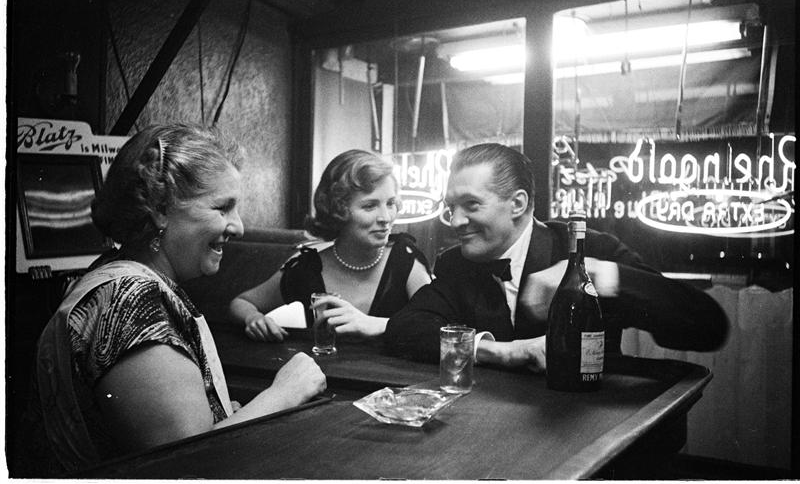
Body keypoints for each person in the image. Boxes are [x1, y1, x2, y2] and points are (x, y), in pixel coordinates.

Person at [32, 123, 327, 474]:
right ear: (160, 208)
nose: (238, 227)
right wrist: (285, 394)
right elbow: (189, 463)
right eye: (222, 208)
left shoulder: (121, 277)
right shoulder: (130, 301)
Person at [384, 143, 729, 370]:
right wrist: (499, 351)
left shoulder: (589, 249)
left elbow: (708, 327)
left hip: (587, 427)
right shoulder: (456, 263)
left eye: (471, 205)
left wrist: (598, 276)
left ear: (517, 204)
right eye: (451, 207)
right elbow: (405, 329)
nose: (456, 221)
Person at [229, 149, 431, 342]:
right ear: (337, 209)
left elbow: (436, 327)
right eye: (370, 206)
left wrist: (376, 324)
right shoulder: (306, 268)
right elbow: (241, 303)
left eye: (391, 203)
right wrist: (253, 319)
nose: (386, 217)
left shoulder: (405, 260)